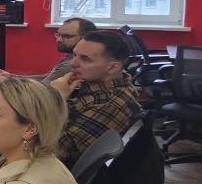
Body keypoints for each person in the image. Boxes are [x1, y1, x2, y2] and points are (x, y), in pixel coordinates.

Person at [50, 29, 140, 167]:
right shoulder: (92, 85)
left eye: (85, 59)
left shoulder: (109, 103)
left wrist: (55, 99)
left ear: (112, 68)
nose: (73, 63)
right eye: (75, 55)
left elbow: (60, 152)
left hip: (58, 171)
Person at [0, 17, 95, 85]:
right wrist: (11, 77)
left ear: (85, 38)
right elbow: (46, 77)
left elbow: (43, 90)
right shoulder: (70, 55)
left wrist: (7, 83)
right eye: (58, 35)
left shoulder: (72, 64)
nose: (59, 40)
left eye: (67, 36)